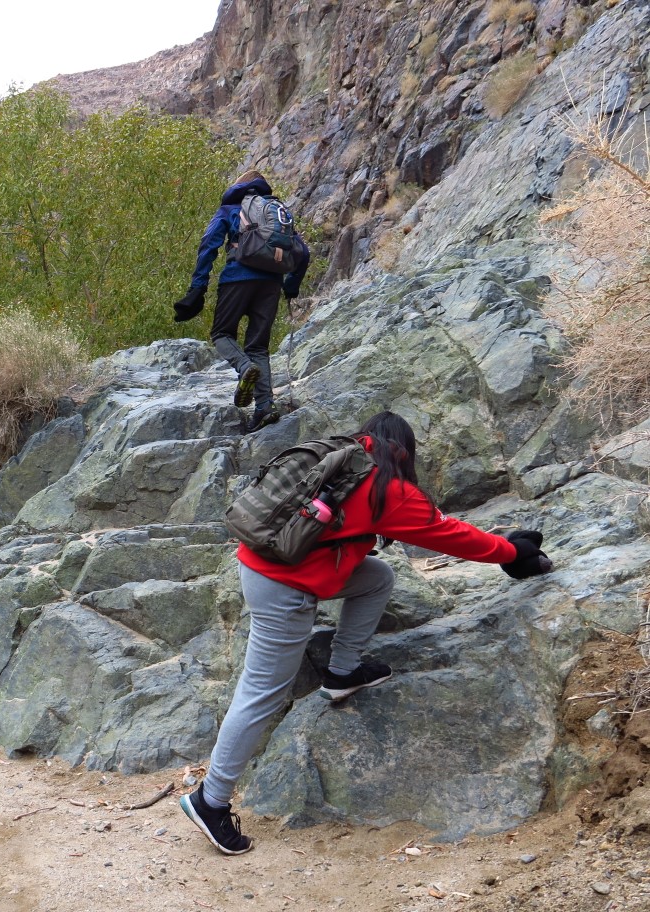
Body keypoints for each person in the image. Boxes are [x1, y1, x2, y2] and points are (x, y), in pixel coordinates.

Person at [179, 411, 554, 855]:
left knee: (376, 576)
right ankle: (212, 799)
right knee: (261, 691)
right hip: (283, 586)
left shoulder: (342, 455)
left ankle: (342, 672)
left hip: (269, 563)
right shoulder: (387, 489)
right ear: (404, 451)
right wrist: (512, 550)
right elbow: (447, 534)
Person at [173, 169, 310, 432]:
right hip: (271, 283)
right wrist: (290, 288)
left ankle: (244, 367)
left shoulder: (230, 209)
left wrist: (197, 288)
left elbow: (208, 245)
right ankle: (265, 408)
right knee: (258, 347)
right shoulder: (277, 211)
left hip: (237, 278)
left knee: (222, 333)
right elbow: (302, 253)